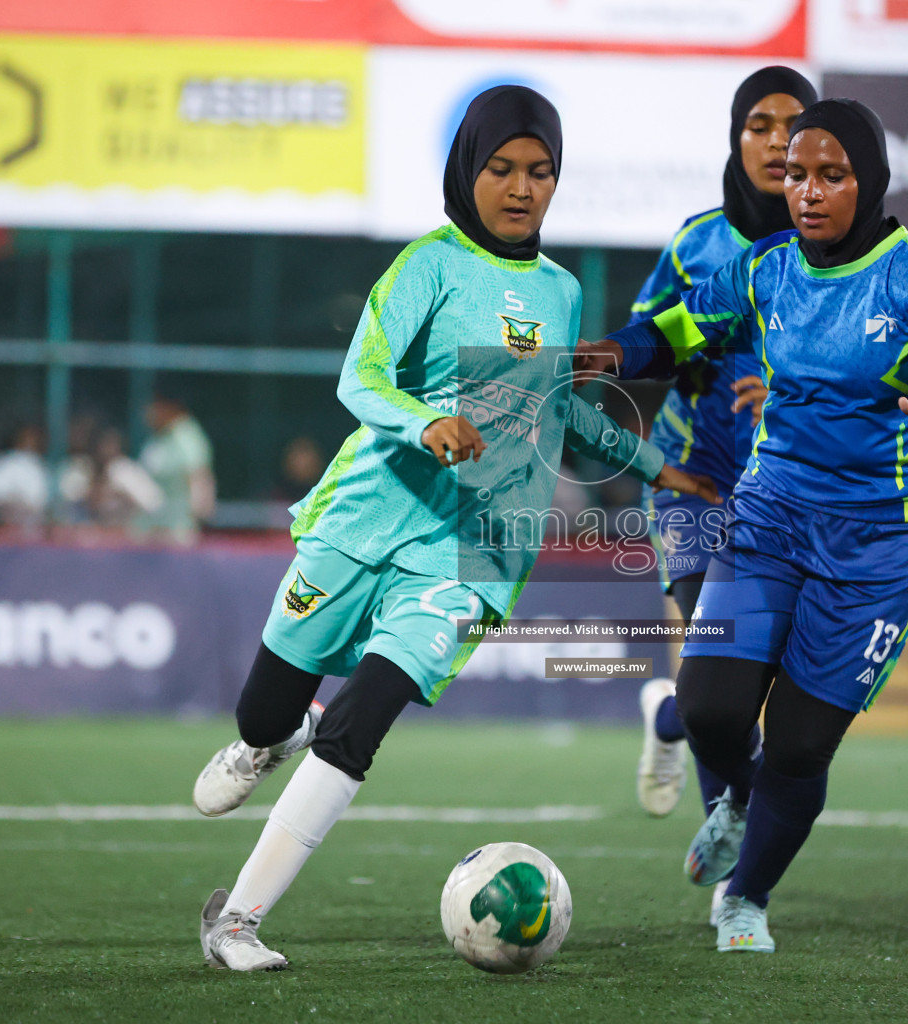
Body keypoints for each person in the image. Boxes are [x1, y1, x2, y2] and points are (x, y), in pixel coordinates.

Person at [191, 85, 717, 972]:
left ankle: (234, 922)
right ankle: (264, 740)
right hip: (371, 514)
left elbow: (556, 410)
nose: (522, 188)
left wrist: (657, 466)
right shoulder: (426, 265)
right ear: (467, 170)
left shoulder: (558, 289)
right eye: (502, 169)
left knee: (359, 720)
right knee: (269, 709)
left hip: (472, 548)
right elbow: (360, 380)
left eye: (540, 171)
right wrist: (421, 422)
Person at [577, 98, 908, 953]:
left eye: (831, 175)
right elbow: (678, 326)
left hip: (885, 536)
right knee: (707, 706)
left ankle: (746, 898)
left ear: (870, 181)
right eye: (799, 175)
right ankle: (735, 798)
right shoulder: (767, 267)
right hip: (773, 511)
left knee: (803, 744)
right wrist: (617, 354)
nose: (808, 191)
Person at [625, 67, 818, 928]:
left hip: (795, 494)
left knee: (741, 693)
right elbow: (649, 340)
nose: (778, 141)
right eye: (761, 125)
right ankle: (739, 870)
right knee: (721, 663)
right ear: (736, 141)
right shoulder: (698, 243)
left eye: (795, 126)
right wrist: (633, 354)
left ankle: (667, 721)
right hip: (695, 484)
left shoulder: (845, 258)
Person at [137, 391, 215, 545]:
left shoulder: (187, 436)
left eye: (154, 406)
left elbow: (199, 478)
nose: (148, 412)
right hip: (149, 531)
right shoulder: (157, 437)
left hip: (176, 533)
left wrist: (199, 519)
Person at [0, 423, 51, 536]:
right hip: (1, 526)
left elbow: (41, 501)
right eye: (27, 438)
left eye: (33, 439)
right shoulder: (5, 463)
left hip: (30, 529)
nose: (30, 442)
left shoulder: (39, 467)